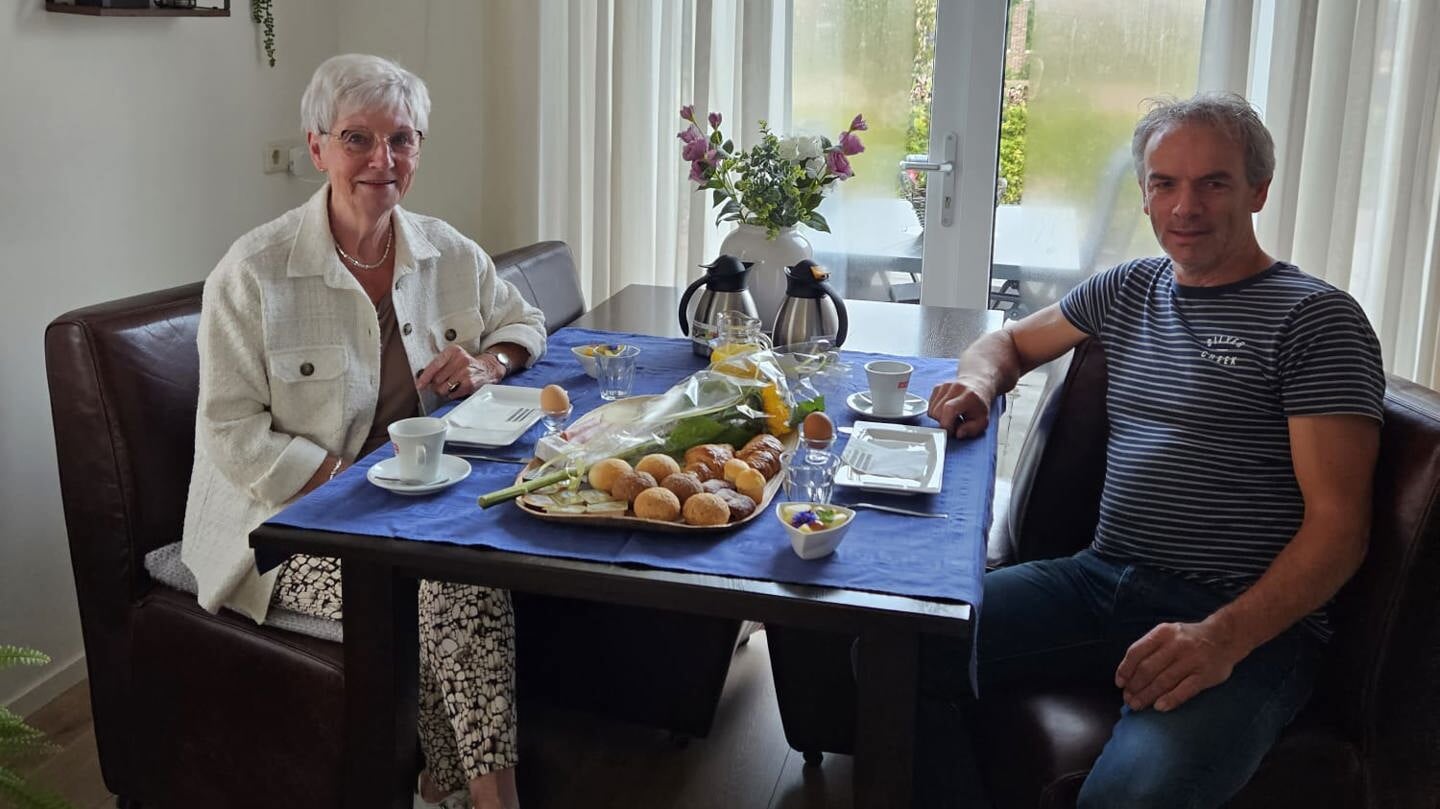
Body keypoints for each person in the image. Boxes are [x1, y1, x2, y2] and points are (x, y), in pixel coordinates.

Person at [921, 92, 1386, 808]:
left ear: (1258, 190)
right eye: (1165, 183)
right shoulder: (1130, 287)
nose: (1185, 206)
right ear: (1143, 195)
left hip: (1247, 621)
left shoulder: (1315, 320)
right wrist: (979, 387)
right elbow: (1008, 342)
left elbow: (1340, 528)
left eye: (1214, 182)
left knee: (1130, 796)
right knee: (899, 652)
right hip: (1096, 580)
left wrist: (1220, 638)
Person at [181, 54, 547, 809]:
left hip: (406, 509)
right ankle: (488, 798)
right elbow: (230, 432)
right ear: (316, 148)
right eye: (358, 139)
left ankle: (444, 783)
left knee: (468, 559)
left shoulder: (447, 249)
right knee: (455, 575)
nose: (383, 161)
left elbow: (524, 320)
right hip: (280, 530)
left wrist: (487, 363)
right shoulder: (252, 274)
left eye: (403, 140)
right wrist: (348, 481)